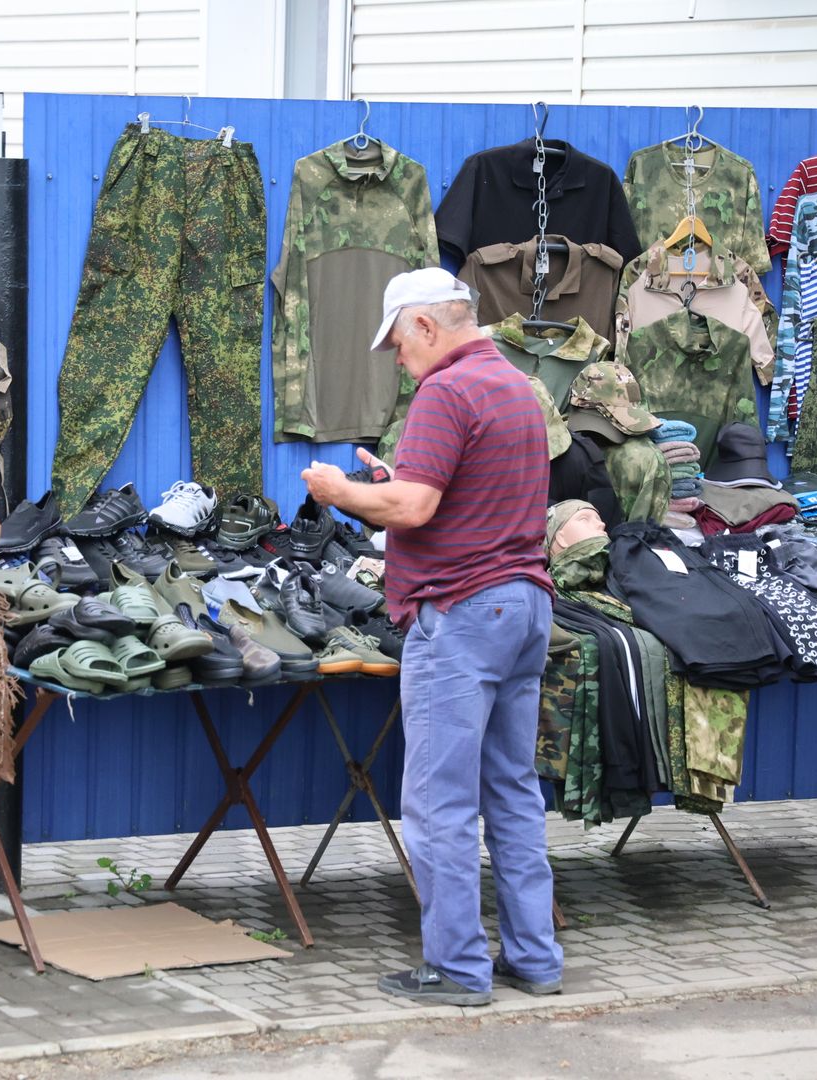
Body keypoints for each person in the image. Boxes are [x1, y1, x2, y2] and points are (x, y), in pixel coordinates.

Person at [301, 268, 561, 1007]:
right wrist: (393, 478)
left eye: (397, 343)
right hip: (525, 605)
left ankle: (457, 970)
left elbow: (413, 507)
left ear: (425, 325)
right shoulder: (516, 383)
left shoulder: (445, 391)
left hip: (464, 614)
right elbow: (466, 490)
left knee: (438, 803)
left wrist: (344, 492)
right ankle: (536, 960)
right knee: (512, 791)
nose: (396, 359)